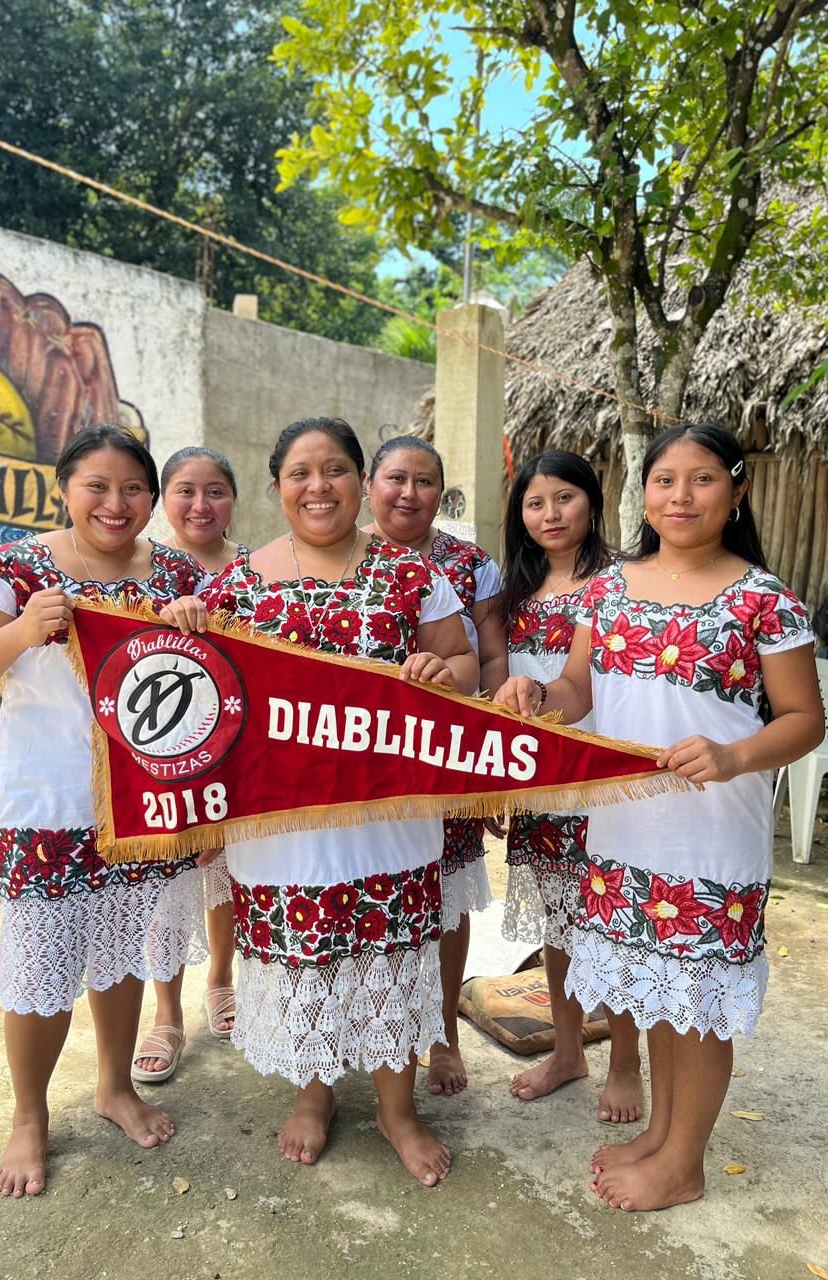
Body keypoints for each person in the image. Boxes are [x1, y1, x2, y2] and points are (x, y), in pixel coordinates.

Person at [495, 424, 823, 1212]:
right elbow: (581, 690)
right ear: (645, 494)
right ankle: (664, 1135)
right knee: (662, 997)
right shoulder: (609, 589)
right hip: (625, 828)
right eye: (665, 480)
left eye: (702, 479)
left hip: (711, 836)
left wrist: (735, 753)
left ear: (737, 492)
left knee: (702, 1005)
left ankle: (684, 1162)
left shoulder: (764, 599)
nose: (681, 496)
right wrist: (543, 700)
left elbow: (804, 719)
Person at [167, 417, 478, 1186]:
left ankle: (397, 1110)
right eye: (300, 472)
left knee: (391, 948)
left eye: (336, 469)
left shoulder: (410, 574)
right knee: (303, 950)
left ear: (361, 482)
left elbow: (466, 660)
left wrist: (446, 672)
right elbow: (196, 690)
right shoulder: (235, 584)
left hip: (391, 812)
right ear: (276, 487)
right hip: (283, 821)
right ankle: (315, 1094)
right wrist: (181, 625)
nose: (319, 486)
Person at [0, 424, 208, 1199]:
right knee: (42, 969)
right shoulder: (12, 569)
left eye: (132, 489)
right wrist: (22, 628)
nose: (115, 504)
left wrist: (198, 623)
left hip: (149, 799)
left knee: (119, 953)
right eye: (97, 486)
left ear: (152, 498)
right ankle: (29, 1117)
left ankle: (115, 1086)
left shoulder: (180, 570)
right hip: (48, 805)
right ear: (65, 489)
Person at [500, 451, 643, 1122]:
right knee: (560, 922)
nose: (550, 515)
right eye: (536, 503)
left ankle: (625, 1061)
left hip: (604, 778)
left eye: (565, 498)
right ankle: (566, 1050)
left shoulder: (624, 583)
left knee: (612, 923)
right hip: (542, 782)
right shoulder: (514, 593)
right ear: (520, 515)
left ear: (593, 501)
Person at [363, 435, 505, 1097]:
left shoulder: (472, 566)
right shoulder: (342, 553)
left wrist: (493, 765)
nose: (408, 493)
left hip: (447, 760)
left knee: (446, 899)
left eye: (424, 482)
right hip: (358, 768)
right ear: (370, 484)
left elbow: (494, 663)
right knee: (360, 900)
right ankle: (363, 1035)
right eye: (395, 478)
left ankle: (443, 1035)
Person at [132, 447, 244, 1082]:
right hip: (162, 752)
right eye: (185, 491)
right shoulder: (139, 569)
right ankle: (166, 1014)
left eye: (216, 491)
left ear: (235, 498)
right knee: (165, 889)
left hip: (234, 750)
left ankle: (222, 982)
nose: (200, 505)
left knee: (224, 874)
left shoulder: (258, 571)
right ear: (161, 498)